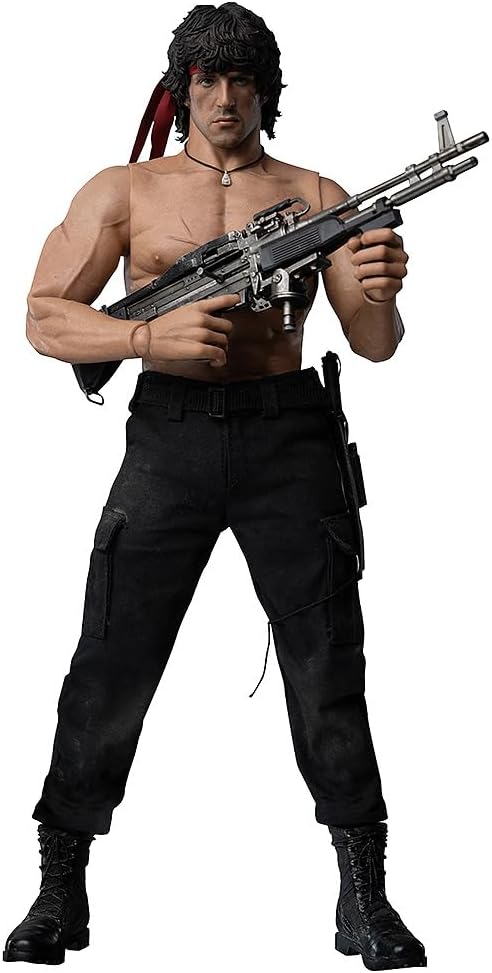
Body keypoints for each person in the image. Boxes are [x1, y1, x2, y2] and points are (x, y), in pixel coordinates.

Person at [3, 3, 426, 969]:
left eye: (242, 79)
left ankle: (365, 896)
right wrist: (145, 335)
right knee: (110, 660)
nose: (225, 97)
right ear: (180, 87)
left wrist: (382, 286)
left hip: (291, 440)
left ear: (268, 91)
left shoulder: (317, 196)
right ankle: (59, 890)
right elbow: (43, 317)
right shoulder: (125, 191)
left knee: (329, 664)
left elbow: (373, 343)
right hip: (170, 439)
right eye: (206, 78)